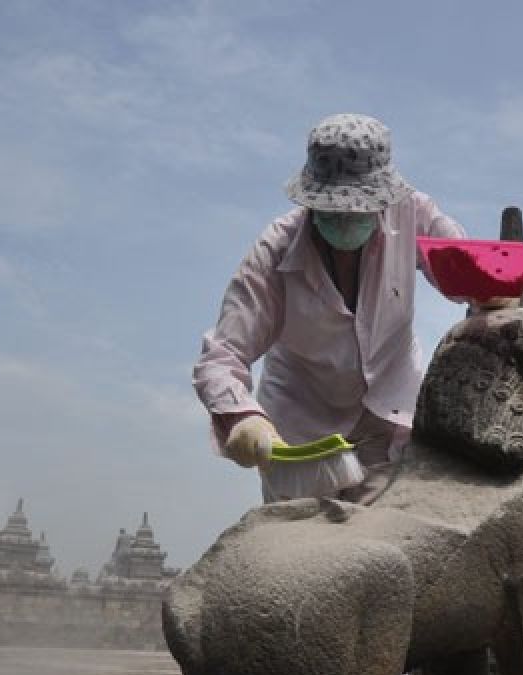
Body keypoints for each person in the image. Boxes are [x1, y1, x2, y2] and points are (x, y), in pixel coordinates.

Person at [193, 113, 500, 502]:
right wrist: (242, 417)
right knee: (302, 546)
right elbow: (223, 353)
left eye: (357, 210)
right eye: (332, 210)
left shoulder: (413, 215)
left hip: (387, 417)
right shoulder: (274, 252)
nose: (345, 219)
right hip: (302, 435)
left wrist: (489, 289)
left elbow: (463, 272)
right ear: (311, 201)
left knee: (387, 540)